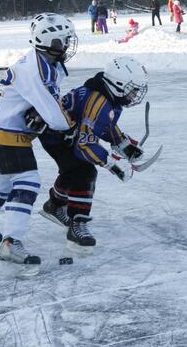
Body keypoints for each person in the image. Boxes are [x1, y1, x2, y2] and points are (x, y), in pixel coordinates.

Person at [0, 13, 78, 265]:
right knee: (28, 181)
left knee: (2, 181)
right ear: (48, 43)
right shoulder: (36, 72)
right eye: (61, 41)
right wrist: (73, 125)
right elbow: (55, 116)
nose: (66, 45)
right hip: (7, 132)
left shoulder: (44, 61)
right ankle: (11, 242)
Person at [37, 56, 148, 255]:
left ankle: (54, 205)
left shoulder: (108, 97)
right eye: (132, 90)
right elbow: (84, 144)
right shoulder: (98, 101)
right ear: (118, 84)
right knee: (85, 171)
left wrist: (123, 144)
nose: (134, 96)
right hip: (55, 136)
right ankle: (77, 223)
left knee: (73, 170)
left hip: (68, 133)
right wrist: (112, 163)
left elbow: (104, 125)